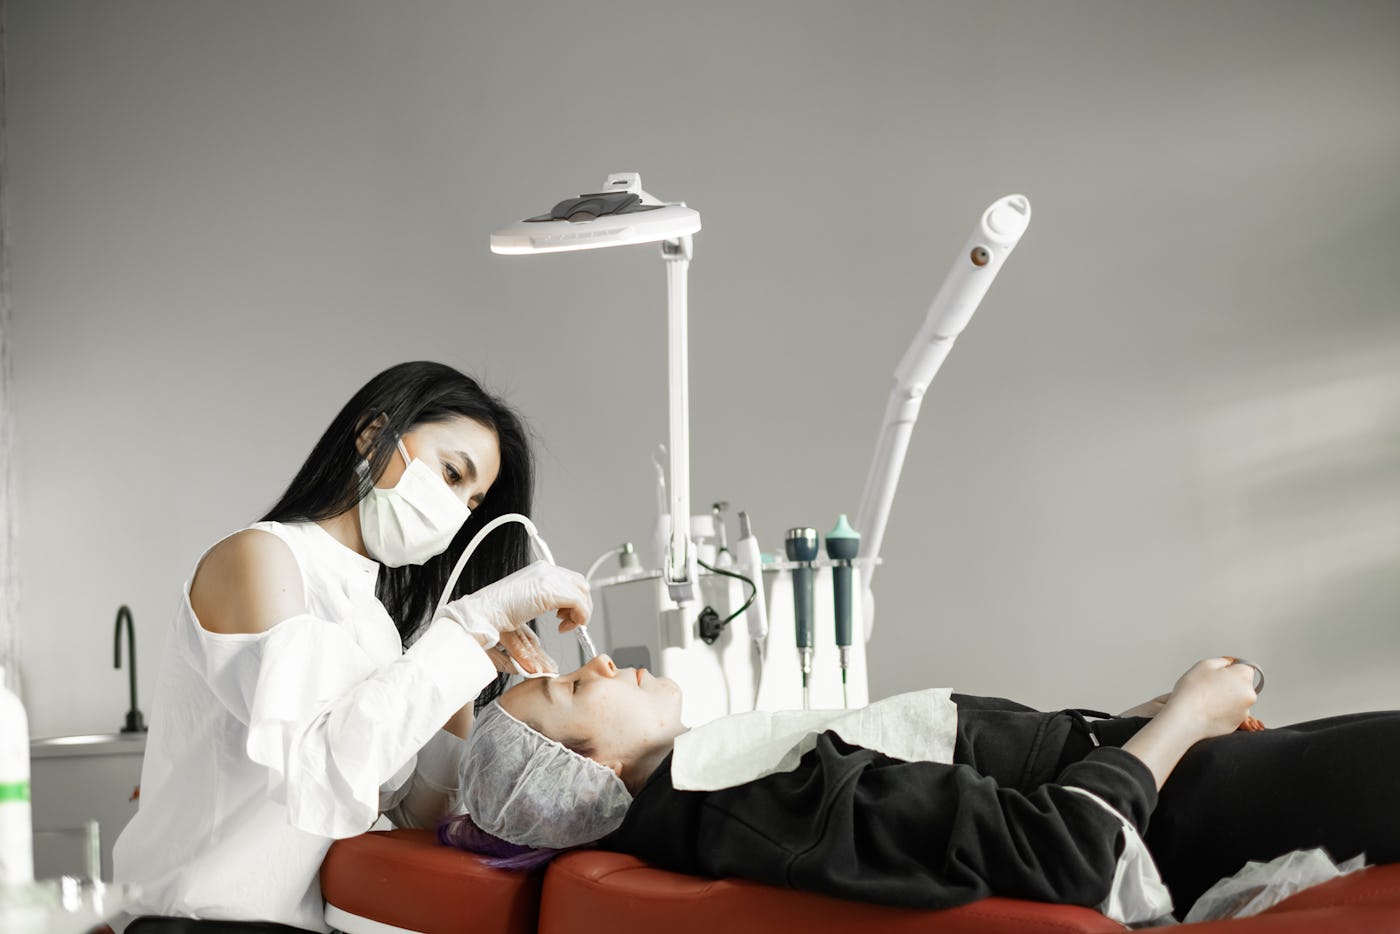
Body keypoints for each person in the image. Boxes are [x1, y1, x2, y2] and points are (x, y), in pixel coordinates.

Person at [113, 361, 592, 933]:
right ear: (372, 435)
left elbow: (412, 815)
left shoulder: (374, 621)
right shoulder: (262, 559)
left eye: (471, 503)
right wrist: (469, 626)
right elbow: (318, 773)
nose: (457, 511)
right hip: (194, 920)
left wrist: (467, 674)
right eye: (450, 473)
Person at [444, 653, 1400, 923]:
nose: (603, 663)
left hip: (1169, 772)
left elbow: (975, 771)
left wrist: (1138, 719)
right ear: (592, 772)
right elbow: (1061, 855)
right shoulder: (755, 798)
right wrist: (1186, 716)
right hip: (1187, 817)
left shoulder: (720, 779)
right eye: (576, 688)